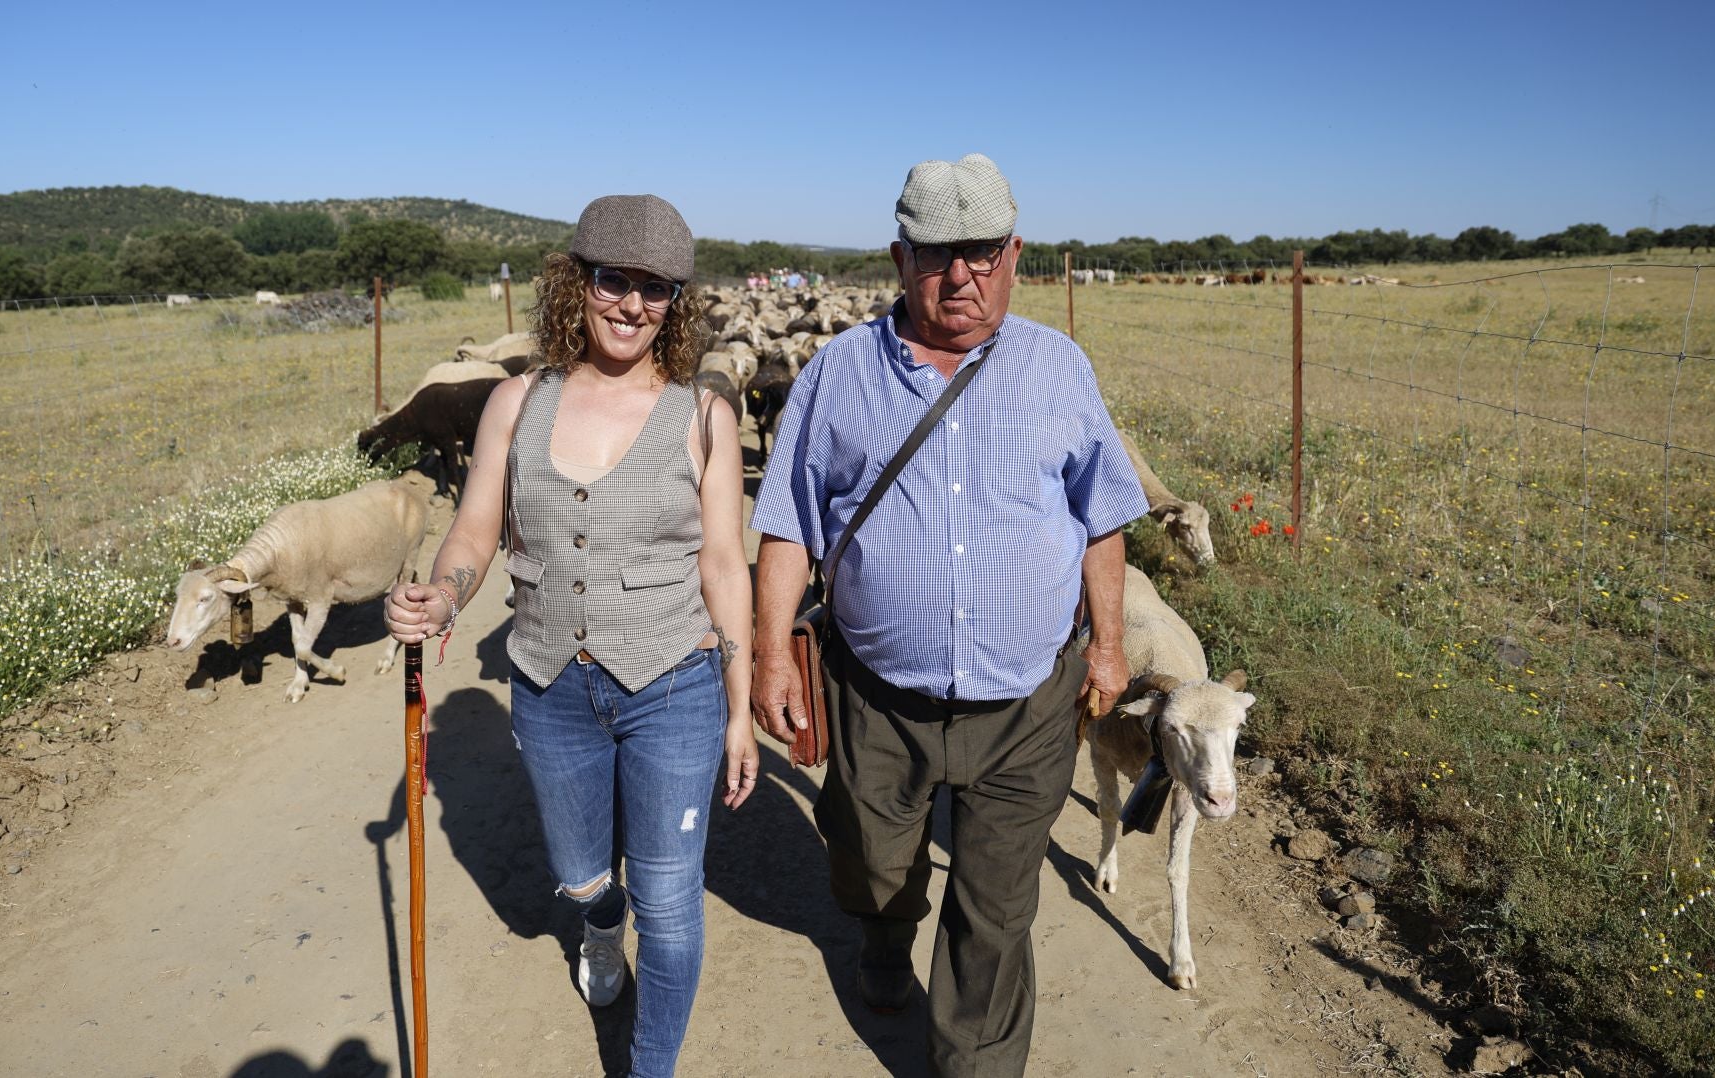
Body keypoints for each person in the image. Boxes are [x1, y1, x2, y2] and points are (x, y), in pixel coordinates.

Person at [748, 154, 1148, 1077]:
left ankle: (972, 1062)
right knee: (873, 863)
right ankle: (885, 933)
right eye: (935, 255)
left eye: (981, 253)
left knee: (997, 910)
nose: (959, 277)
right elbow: (787, 529)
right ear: (899, 258)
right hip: (877, 697)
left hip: (1029, 702)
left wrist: (1112, 648)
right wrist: (773, 658)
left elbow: (1101, 518)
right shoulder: (837, 374)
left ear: (1015, 253)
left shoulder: (1058, 368)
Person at [384, 194, 755, 1078]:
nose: (631, 305)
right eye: (613, 280)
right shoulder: (517, 402)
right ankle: (597, 923)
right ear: (576, 283)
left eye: (655, 288)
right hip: (552, 688)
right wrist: (443, 596)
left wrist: (738, 711)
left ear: (677, 301)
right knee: (583, 874)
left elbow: (724, 568)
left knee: (669, 903)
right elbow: (476, 531)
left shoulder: (704, 418)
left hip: (673, 684)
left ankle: (650, 1065)